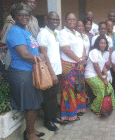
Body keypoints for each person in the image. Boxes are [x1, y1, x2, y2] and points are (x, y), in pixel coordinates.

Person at [6, 3, 44, 140]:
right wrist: (42, 59)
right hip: (21, 72)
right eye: (21, 15)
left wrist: (41, 55)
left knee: (34, 103)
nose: (24, 17)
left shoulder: (26, 31)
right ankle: (29, 135)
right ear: (14, 16)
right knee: (30, 105)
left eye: (27, 15)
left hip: (31, 71)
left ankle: (32, 129)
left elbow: (34, 50)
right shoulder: (15, 31)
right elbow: (25, 55)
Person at [37, 12, 68, 131]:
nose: (55, 21)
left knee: (54, 96)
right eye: (52, 19)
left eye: (57, 19)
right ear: (46, 20)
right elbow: (44, 55)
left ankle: (54, 117)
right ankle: (48, 120)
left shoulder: (56, 33)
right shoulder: (43, 34)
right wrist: (52, 73)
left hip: (58, 70)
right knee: (48, 97)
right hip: (49, 72)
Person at [58, 13, 87, 121]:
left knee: (79, 87)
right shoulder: (63, 33)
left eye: (74, 19)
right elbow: (66, 49)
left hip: (79, 64)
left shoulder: (77, 33)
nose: (72, 21)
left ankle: (77, 110)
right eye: (69, 19)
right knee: (68, 90)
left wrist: (82, 59)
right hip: (68, 65)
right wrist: (79, 60)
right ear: (65, 20)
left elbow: (83, 47)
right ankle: (69, 115)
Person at [1, 0, 39, 70]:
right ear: (24, 2)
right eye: (30, 2)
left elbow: (35, 37)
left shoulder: (34, 20)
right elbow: (5, 39)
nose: (32, 4)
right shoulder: (12, 18)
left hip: (32, 60)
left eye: (34, 3)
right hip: (17, 57)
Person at [85, 36, 115, 117]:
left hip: (99, 75)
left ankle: (108, 106)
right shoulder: (94, 51)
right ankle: (95, 108)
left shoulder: (104, 53)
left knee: (110, 88)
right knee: (102, 90)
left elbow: (104, 67)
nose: (103, 45)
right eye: (101, 43)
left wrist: (105, 77)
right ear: (97, 44)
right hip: (90, 75)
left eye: (104, 43)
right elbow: (97, 67)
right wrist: (103, 79)